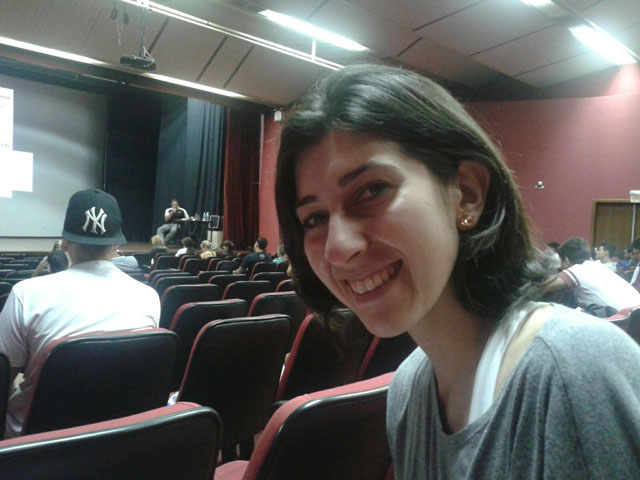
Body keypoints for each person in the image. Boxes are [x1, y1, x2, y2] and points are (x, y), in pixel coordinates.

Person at [274, 65, 640, 479]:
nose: (338, 248)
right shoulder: (408, 390)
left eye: (372, 191)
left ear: (466, 194)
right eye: (314, 218)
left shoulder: (575, 373)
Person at [0, 188, 160, 438]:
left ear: (64, 242)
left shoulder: (26, 294)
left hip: (37, 445)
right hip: (120, 439)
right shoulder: (149, 297)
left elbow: (3, 379)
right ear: (117, 244)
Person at [544, 237, 640, 311]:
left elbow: (540, 286)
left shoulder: (579, 270)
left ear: (566, 261)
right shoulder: (598, 267)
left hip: (622, 324)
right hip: (634, 319)